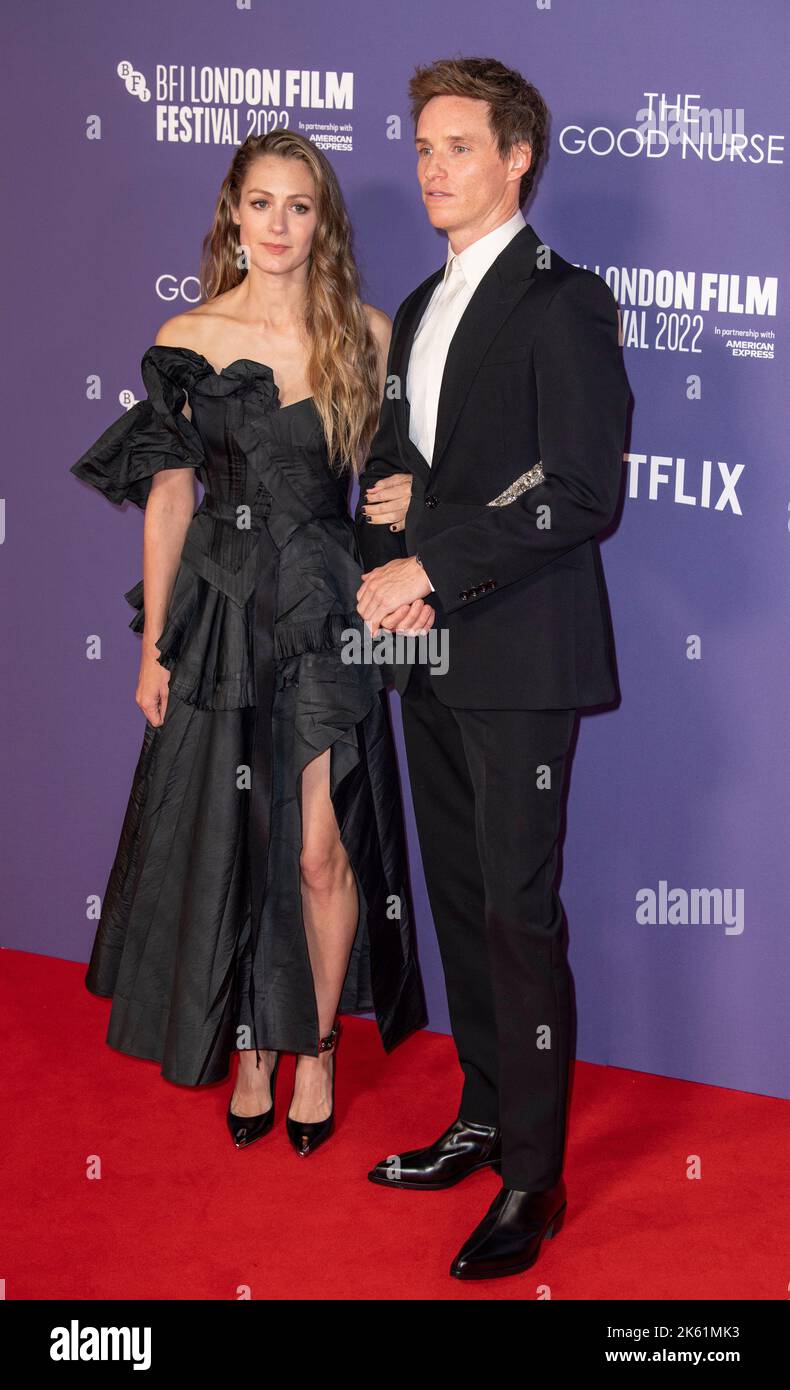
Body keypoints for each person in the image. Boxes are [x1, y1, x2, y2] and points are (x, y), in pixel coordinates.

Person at [71, 130, 427, 1158]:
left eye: (299, 207)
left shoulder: (364, 333)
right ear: (233, 214)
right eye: (261, 204)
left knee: (320, 851)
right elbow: (170, 497)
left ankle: (312, 1042)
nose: (278, 226)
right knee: (241, 842)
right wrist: (151, 648)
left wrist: (416, 500)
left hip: (323, 608)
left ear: (324, 222)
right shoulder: (187, 333)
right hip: (223, 610)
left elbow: (403, 473)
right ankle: (252, 1046)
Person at [355, 58, 630, 1278]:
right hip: (429, 653)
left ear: (516, 157)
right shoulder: (416, 306)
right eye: (421, 148)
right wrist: (393, 572)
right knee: (461, 902)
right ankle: (479, 1112)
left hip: (520, 655)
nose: (431, 168)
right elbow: (406, 475)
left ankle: (534, 1176)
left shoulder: (563, 300)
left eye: (457, 146)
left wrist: (433, 557)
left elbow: (580, 494)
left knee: (517, 915)